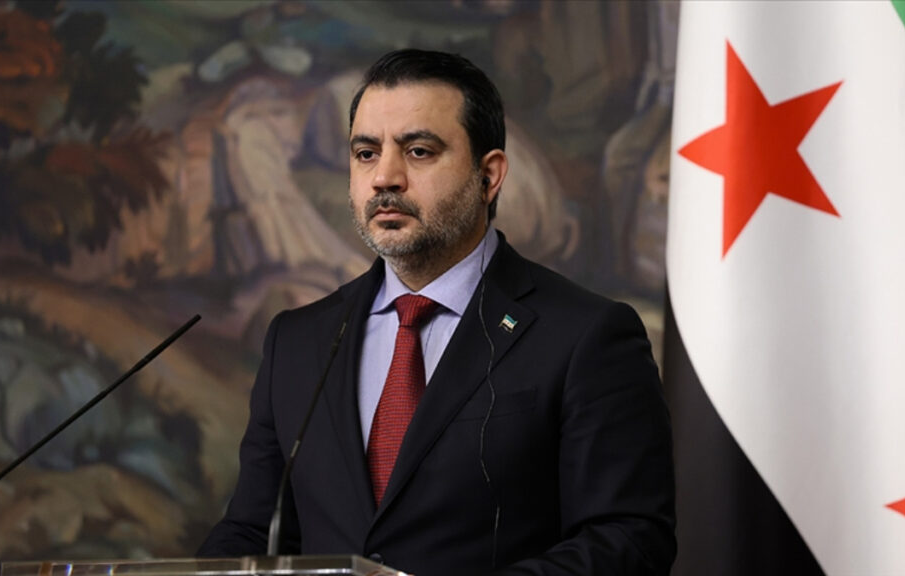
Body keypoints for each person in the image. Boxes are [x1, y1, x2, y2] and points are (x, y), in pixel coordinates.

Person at [198, 49, 676, 576]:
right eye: (366, 153)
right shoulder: (297, 340)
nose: (385, 177)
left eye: (419, 151)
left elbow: (629, 540)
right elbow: (253, 532)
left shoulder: (587, 335)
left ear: (488, 176)